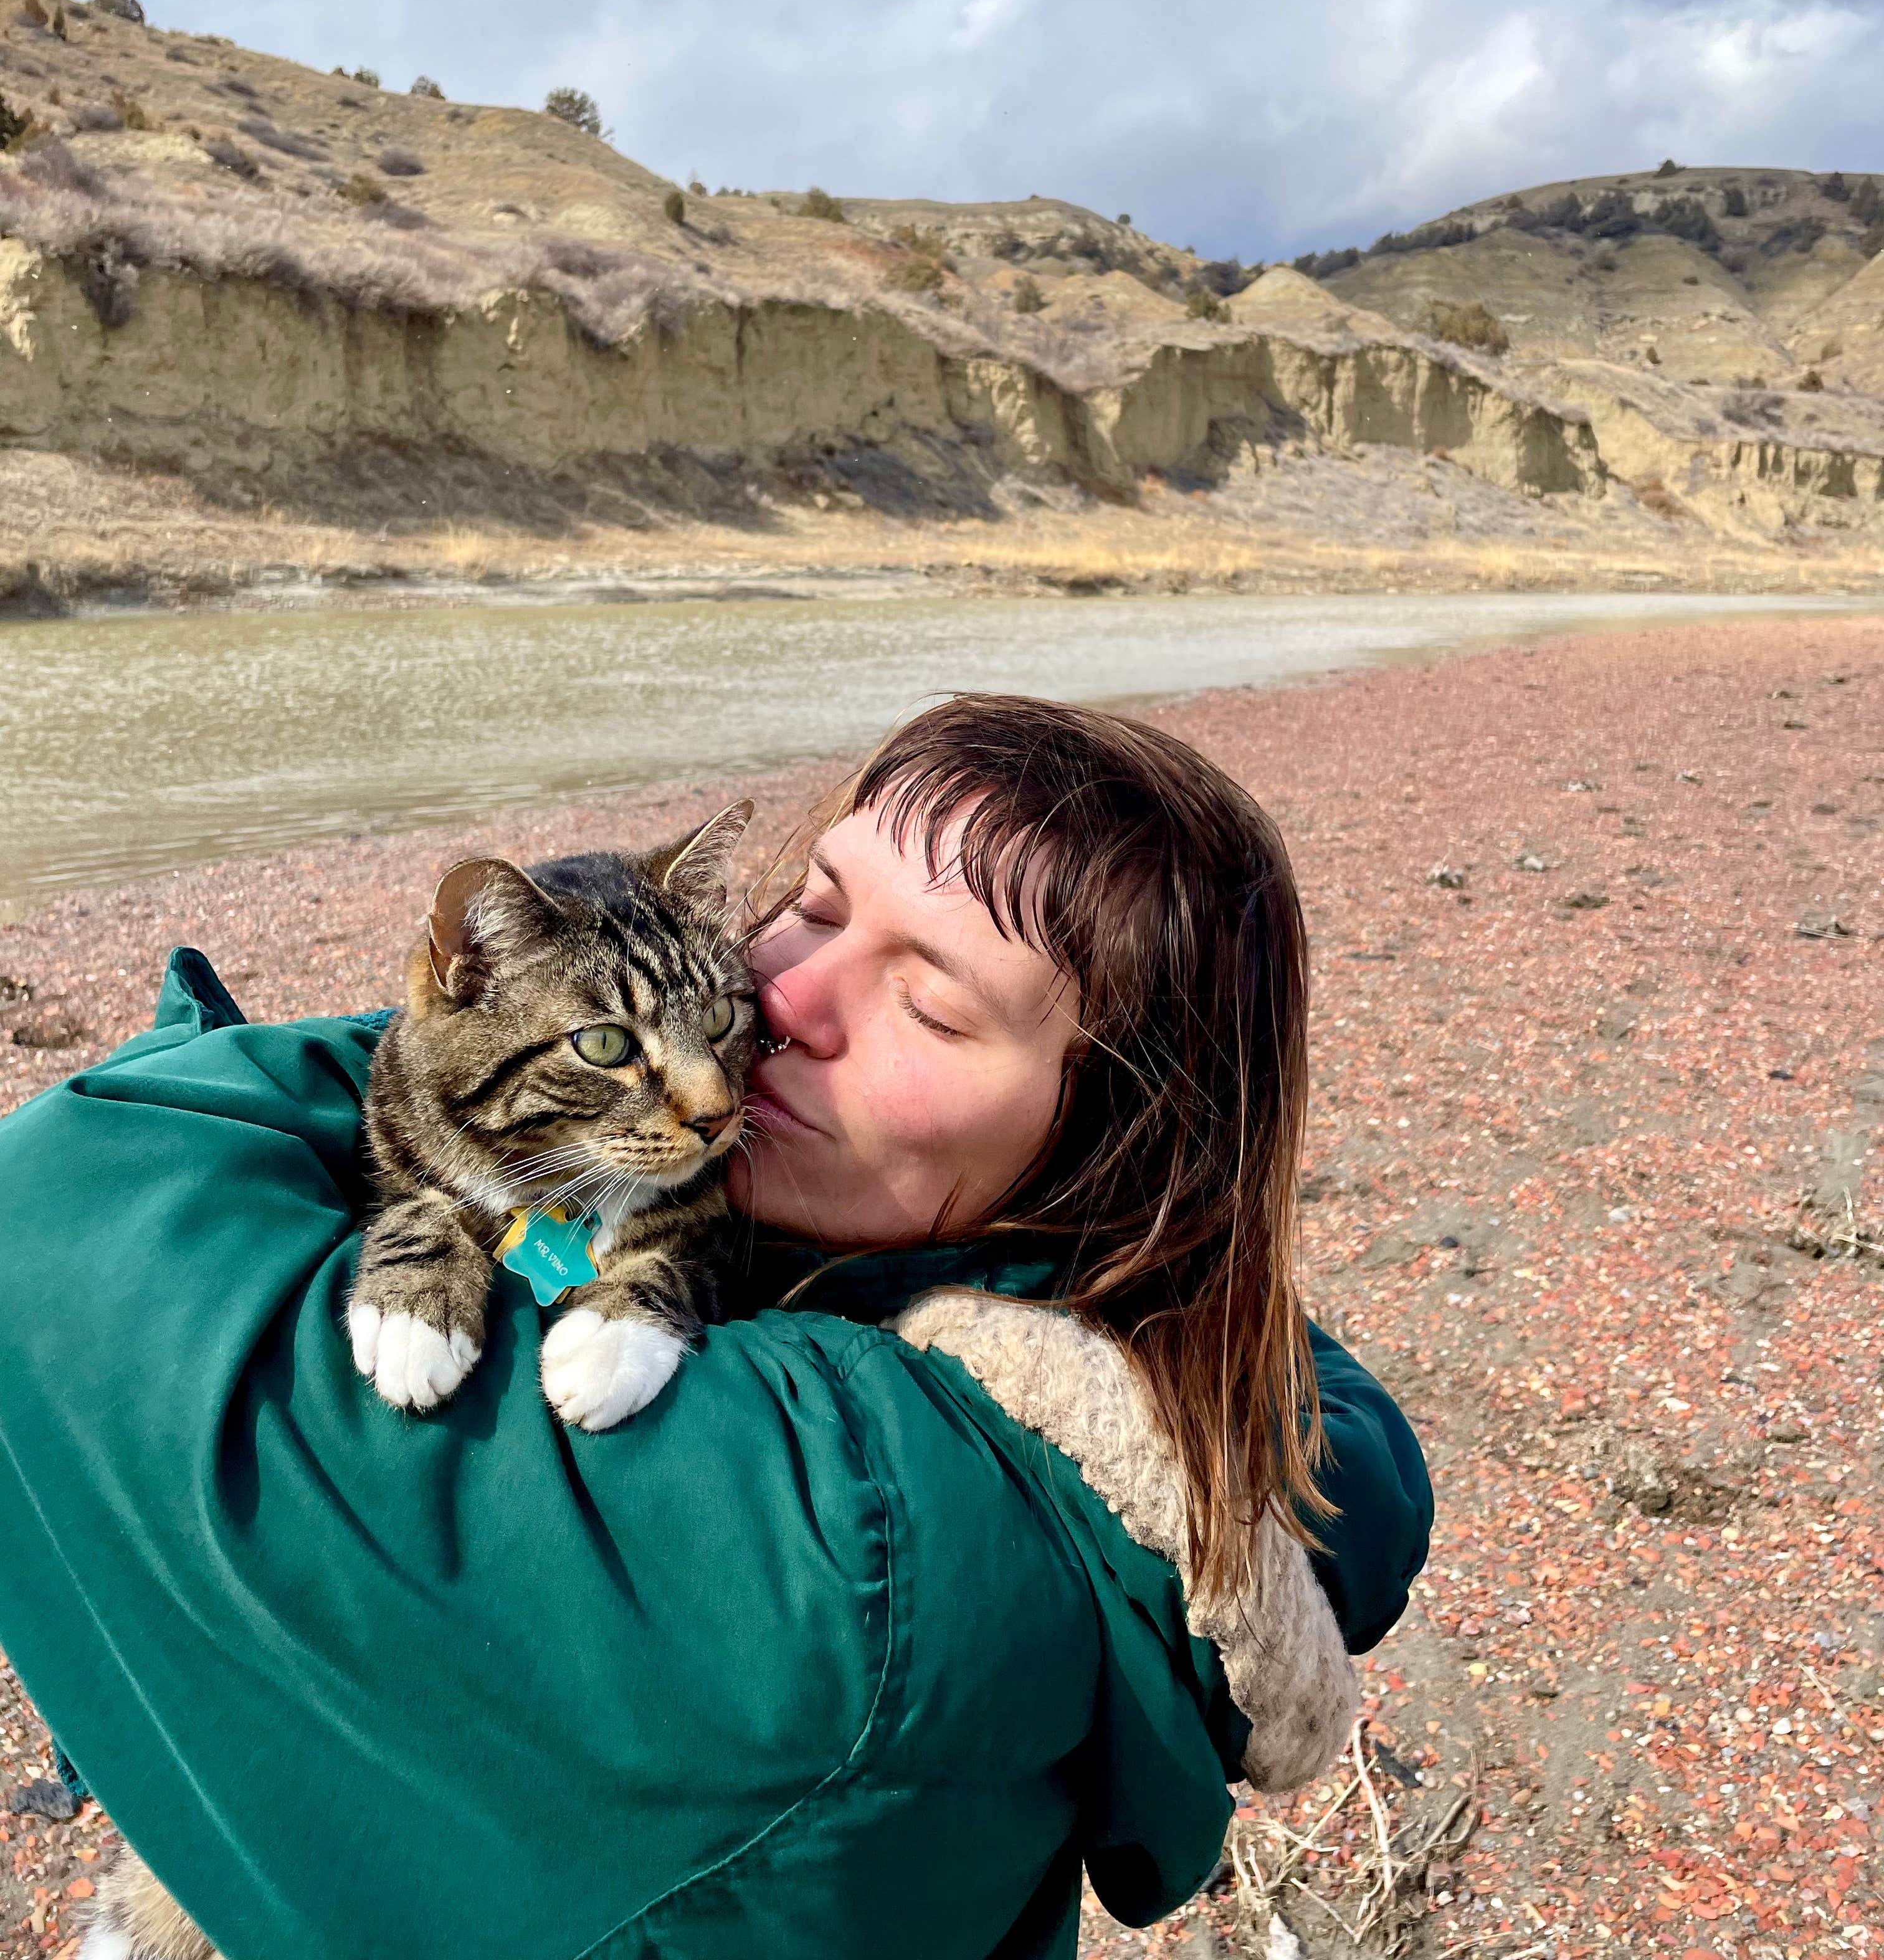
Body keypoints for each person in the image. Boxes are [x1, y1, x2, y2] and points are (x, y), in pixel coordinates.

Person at [0, 695, 1430, 1960]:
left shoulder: (863, 1533)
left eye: (931, 1006)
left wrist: (482, 1067)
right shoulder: (1099, 1342)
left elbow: (53, 1209)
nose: (774, 1002)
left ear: (1109, 1155)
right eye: (814, 901)